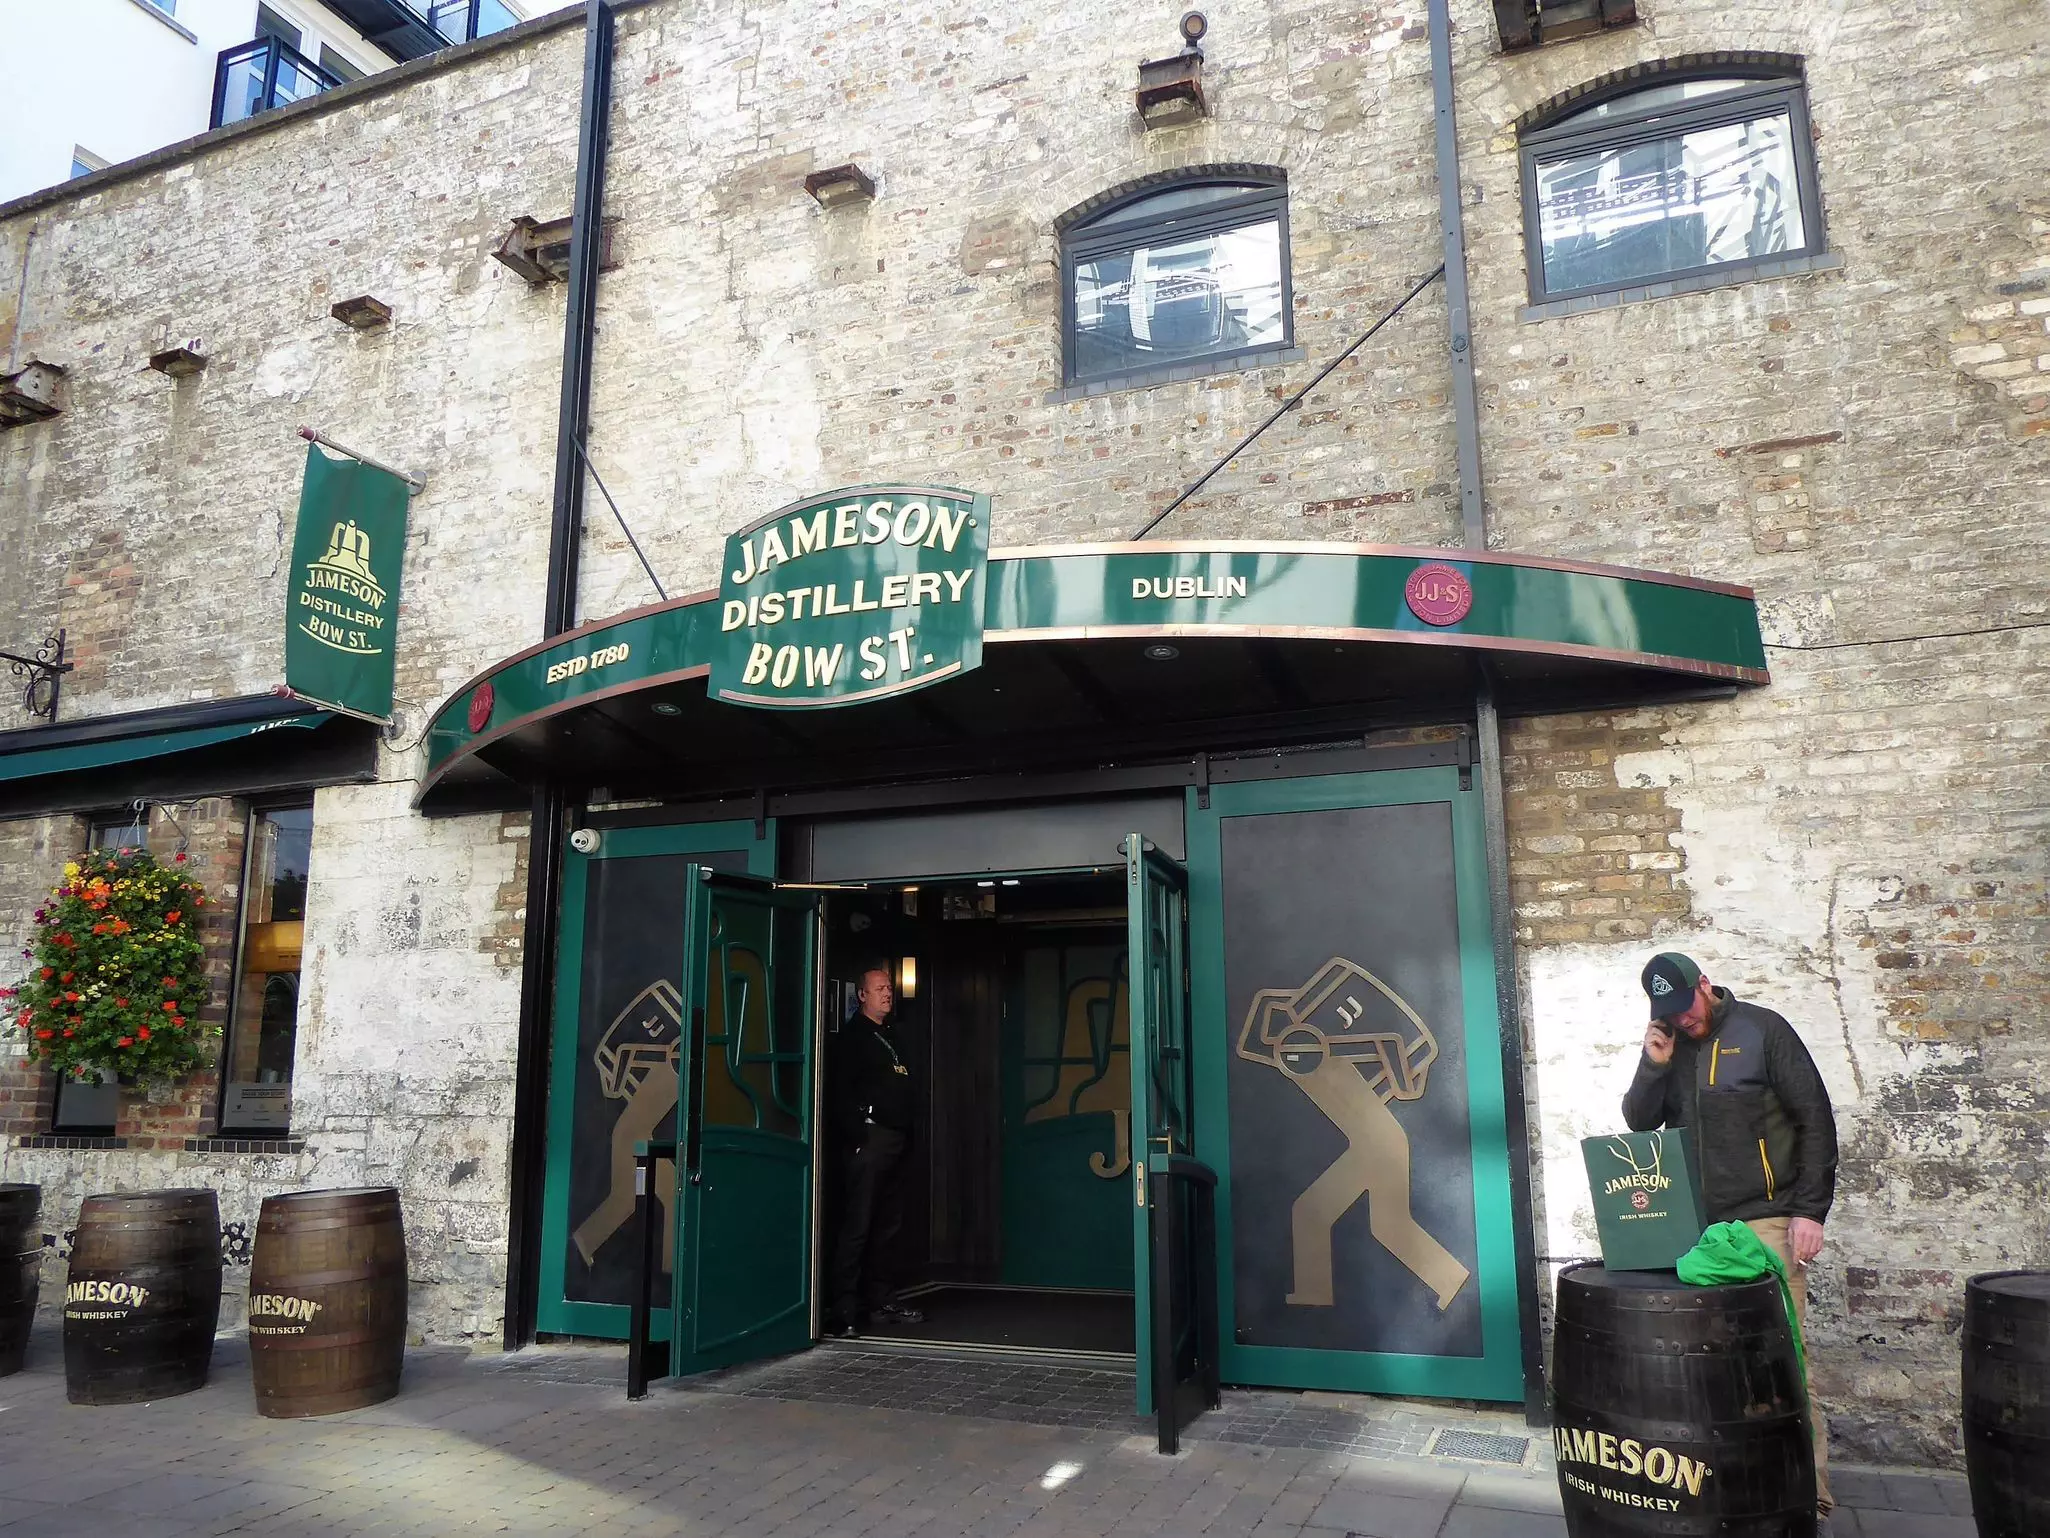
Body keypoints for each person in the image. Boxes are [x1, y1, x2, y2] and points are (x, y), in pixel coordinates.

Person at [1623, 951, 1840, 1520]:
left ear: (1706, 984)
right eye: (1666, 1011)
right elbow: (1638, 1123)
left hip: (1765, 1221)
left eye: (1685, 1006)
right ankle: (1727, 1488)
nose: (1681, 1019)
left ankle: (1807, 1495)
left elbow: (1814, 1118)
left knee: (1780, 1359)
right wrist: (1654, 1065)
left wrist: (1810, 1210)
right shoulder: (1671, 1044)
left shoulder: (1764, 1031)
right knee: (1707, 1364)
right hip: (1697, 1232)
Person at [825, 963, 925, 1337]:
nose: (887, 993)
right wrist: (859, 1136)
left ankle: (882, 1298)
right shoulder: (852, 1039)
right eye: (880, 988)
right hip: (870, 1140)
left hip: (899, 1139)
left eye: (890, 988)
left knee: (889, 1225)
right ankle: (844, 1309)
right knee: (858, 1225)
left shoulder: (894, 1035)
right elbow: (839, 1093)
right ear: (862, 995)